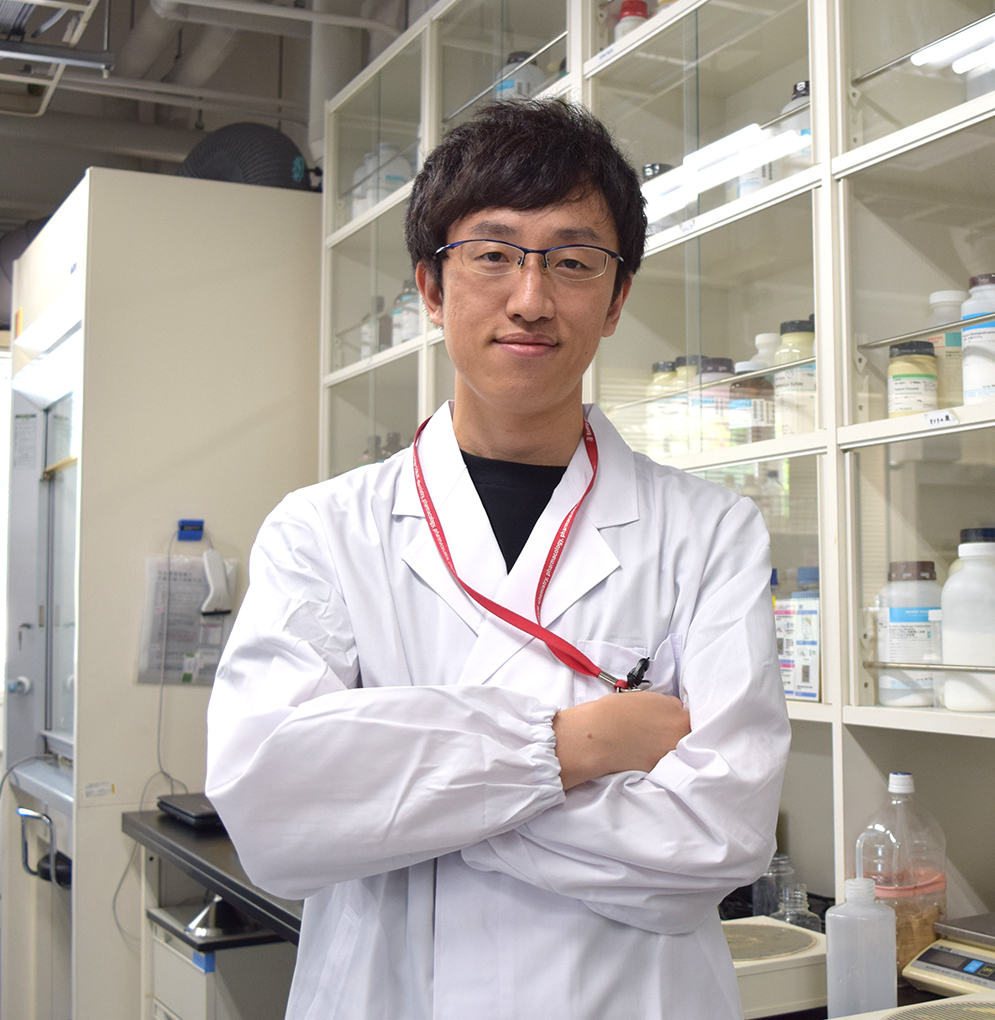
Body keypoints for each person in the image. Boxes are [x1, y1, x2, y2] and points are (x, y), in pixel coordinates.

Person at [206, 98, 790, 1020]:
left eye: (573, 261)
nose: (531, 298)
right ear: (431, 289)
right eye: (493, 253)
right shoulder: (322, 530)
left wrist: (389, 803)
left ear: (616, 299)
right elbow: (273, 815)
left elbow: (721, 836)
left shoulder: (710, 532)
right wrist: (582, 745)